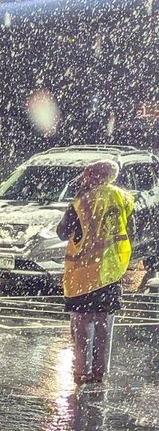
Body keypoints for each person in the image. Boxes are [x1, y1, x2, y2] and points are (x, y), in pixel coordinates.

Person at [57, 159, 134, 386]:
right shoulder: (123, 198)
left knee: (82, 326)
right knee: (104, 324)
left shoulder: (83, 201)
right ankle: (100, 374)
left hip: (85, 274)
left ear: (92, 174)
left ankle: (82, 372)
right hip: (111, 271)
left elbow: (62, 232)